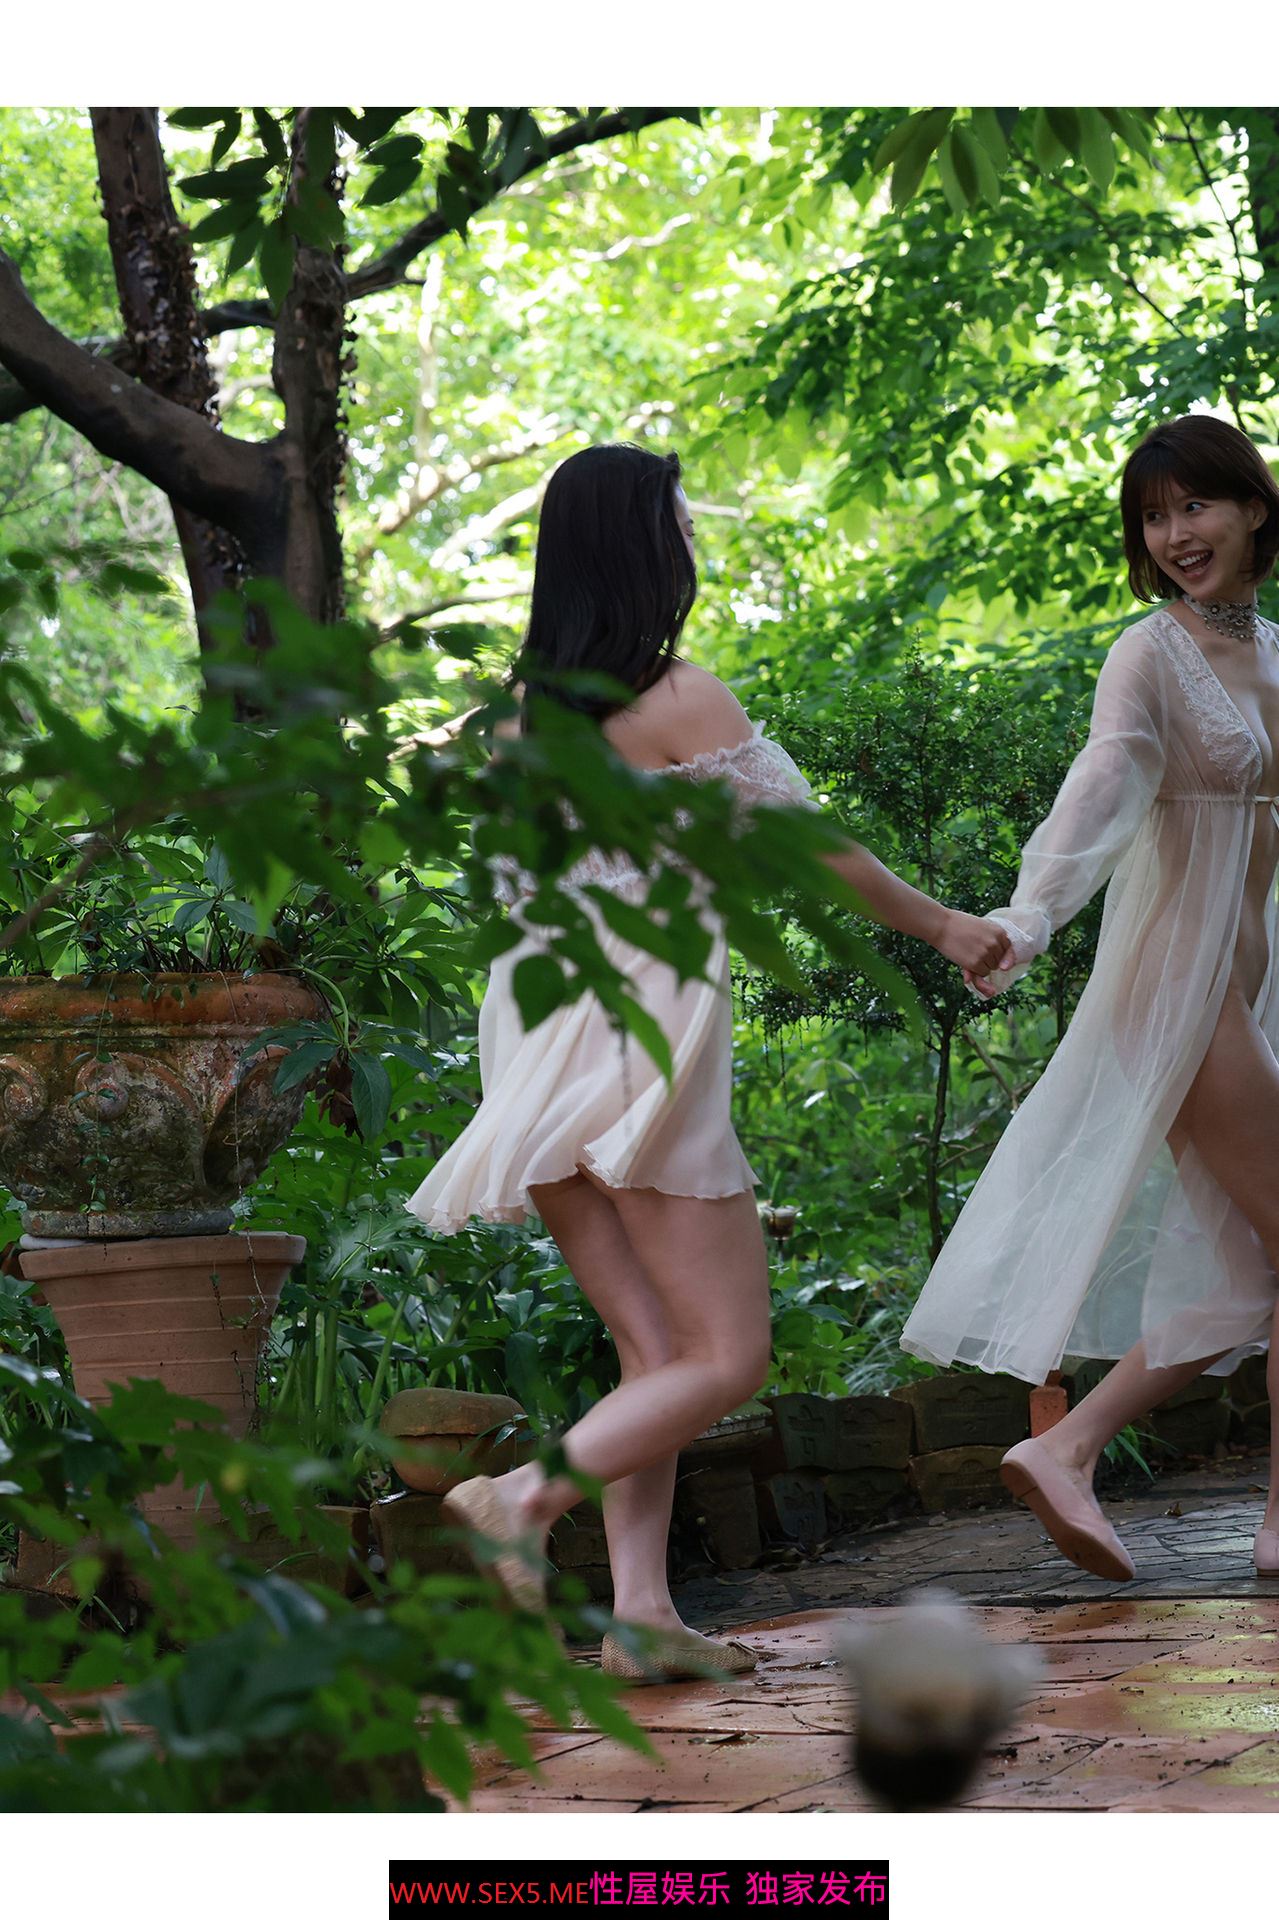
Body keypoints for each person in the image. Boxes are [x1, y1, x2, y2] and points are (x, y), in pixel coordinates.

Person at [405, 442, 1013, 1679]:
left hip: (538, 1049)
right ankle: (520, 1498)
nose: (691, 542)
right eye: (677, 524)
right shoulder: (676, 695)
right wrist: (946, 926)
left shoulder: (509, 724)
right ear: (638, 548)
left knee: (657, 1356)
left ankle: (641, 1618)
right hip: (638, 1042)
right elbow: (807, 847)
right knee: (727, 1357)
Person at [901, 413, 1279, 1583]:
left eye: (1194, 506)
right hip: (1177, 987)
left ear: (1254, 507)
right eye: (1153, 517)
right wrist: (1028, 914)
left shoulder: (1273, 650)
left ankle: (1084, 1454)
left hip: (1245, 983)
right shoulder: (1149, 654)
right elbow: (1102, 780)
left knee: (1254, 1274)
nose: (1174, 535)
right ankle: (1081, 1449)